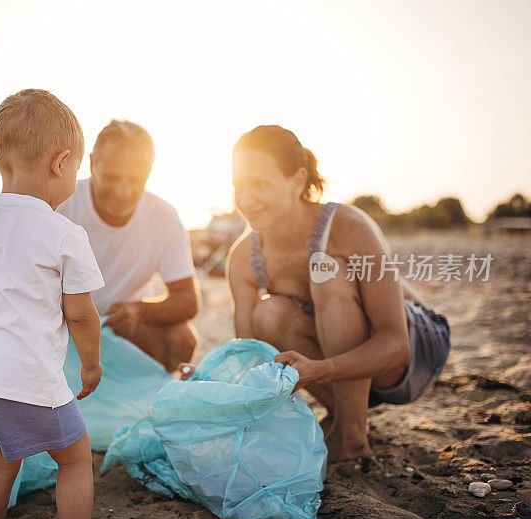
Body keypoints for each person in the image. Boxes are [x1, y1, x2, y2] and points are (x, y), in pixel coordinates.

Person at [225, 125, 450, 461]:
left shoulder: (347, 226)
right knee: (268, 313)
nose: (246, 199)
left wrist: (320, 369)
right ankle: (344, 417)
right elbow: (250, 357)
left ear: (298, 181)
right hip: (345, 367)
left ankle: (351, 438)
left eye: (260, 183)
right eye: (238, 186)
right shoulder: (243, 257)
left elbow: (397, 346)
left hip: (412, 353)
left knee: (326, 272)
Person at [0, 89, 104, 519]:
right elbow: (80, 314)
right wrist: (91, 365)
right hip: (23, 377)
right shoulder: (63, 233)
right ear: (62, 163)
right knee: (75, 458)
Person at [56, 120, 199, 372]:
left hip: (122, 330)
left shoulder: (164, 216)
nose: (123, 191)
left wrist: (138, 311)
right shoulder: (61, 203)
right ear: (91, 164)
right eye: (112, 177)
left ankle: (143, 397)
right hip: (62, 327)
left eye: (135, 179)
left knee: (182, 338)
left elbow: (188, 300)